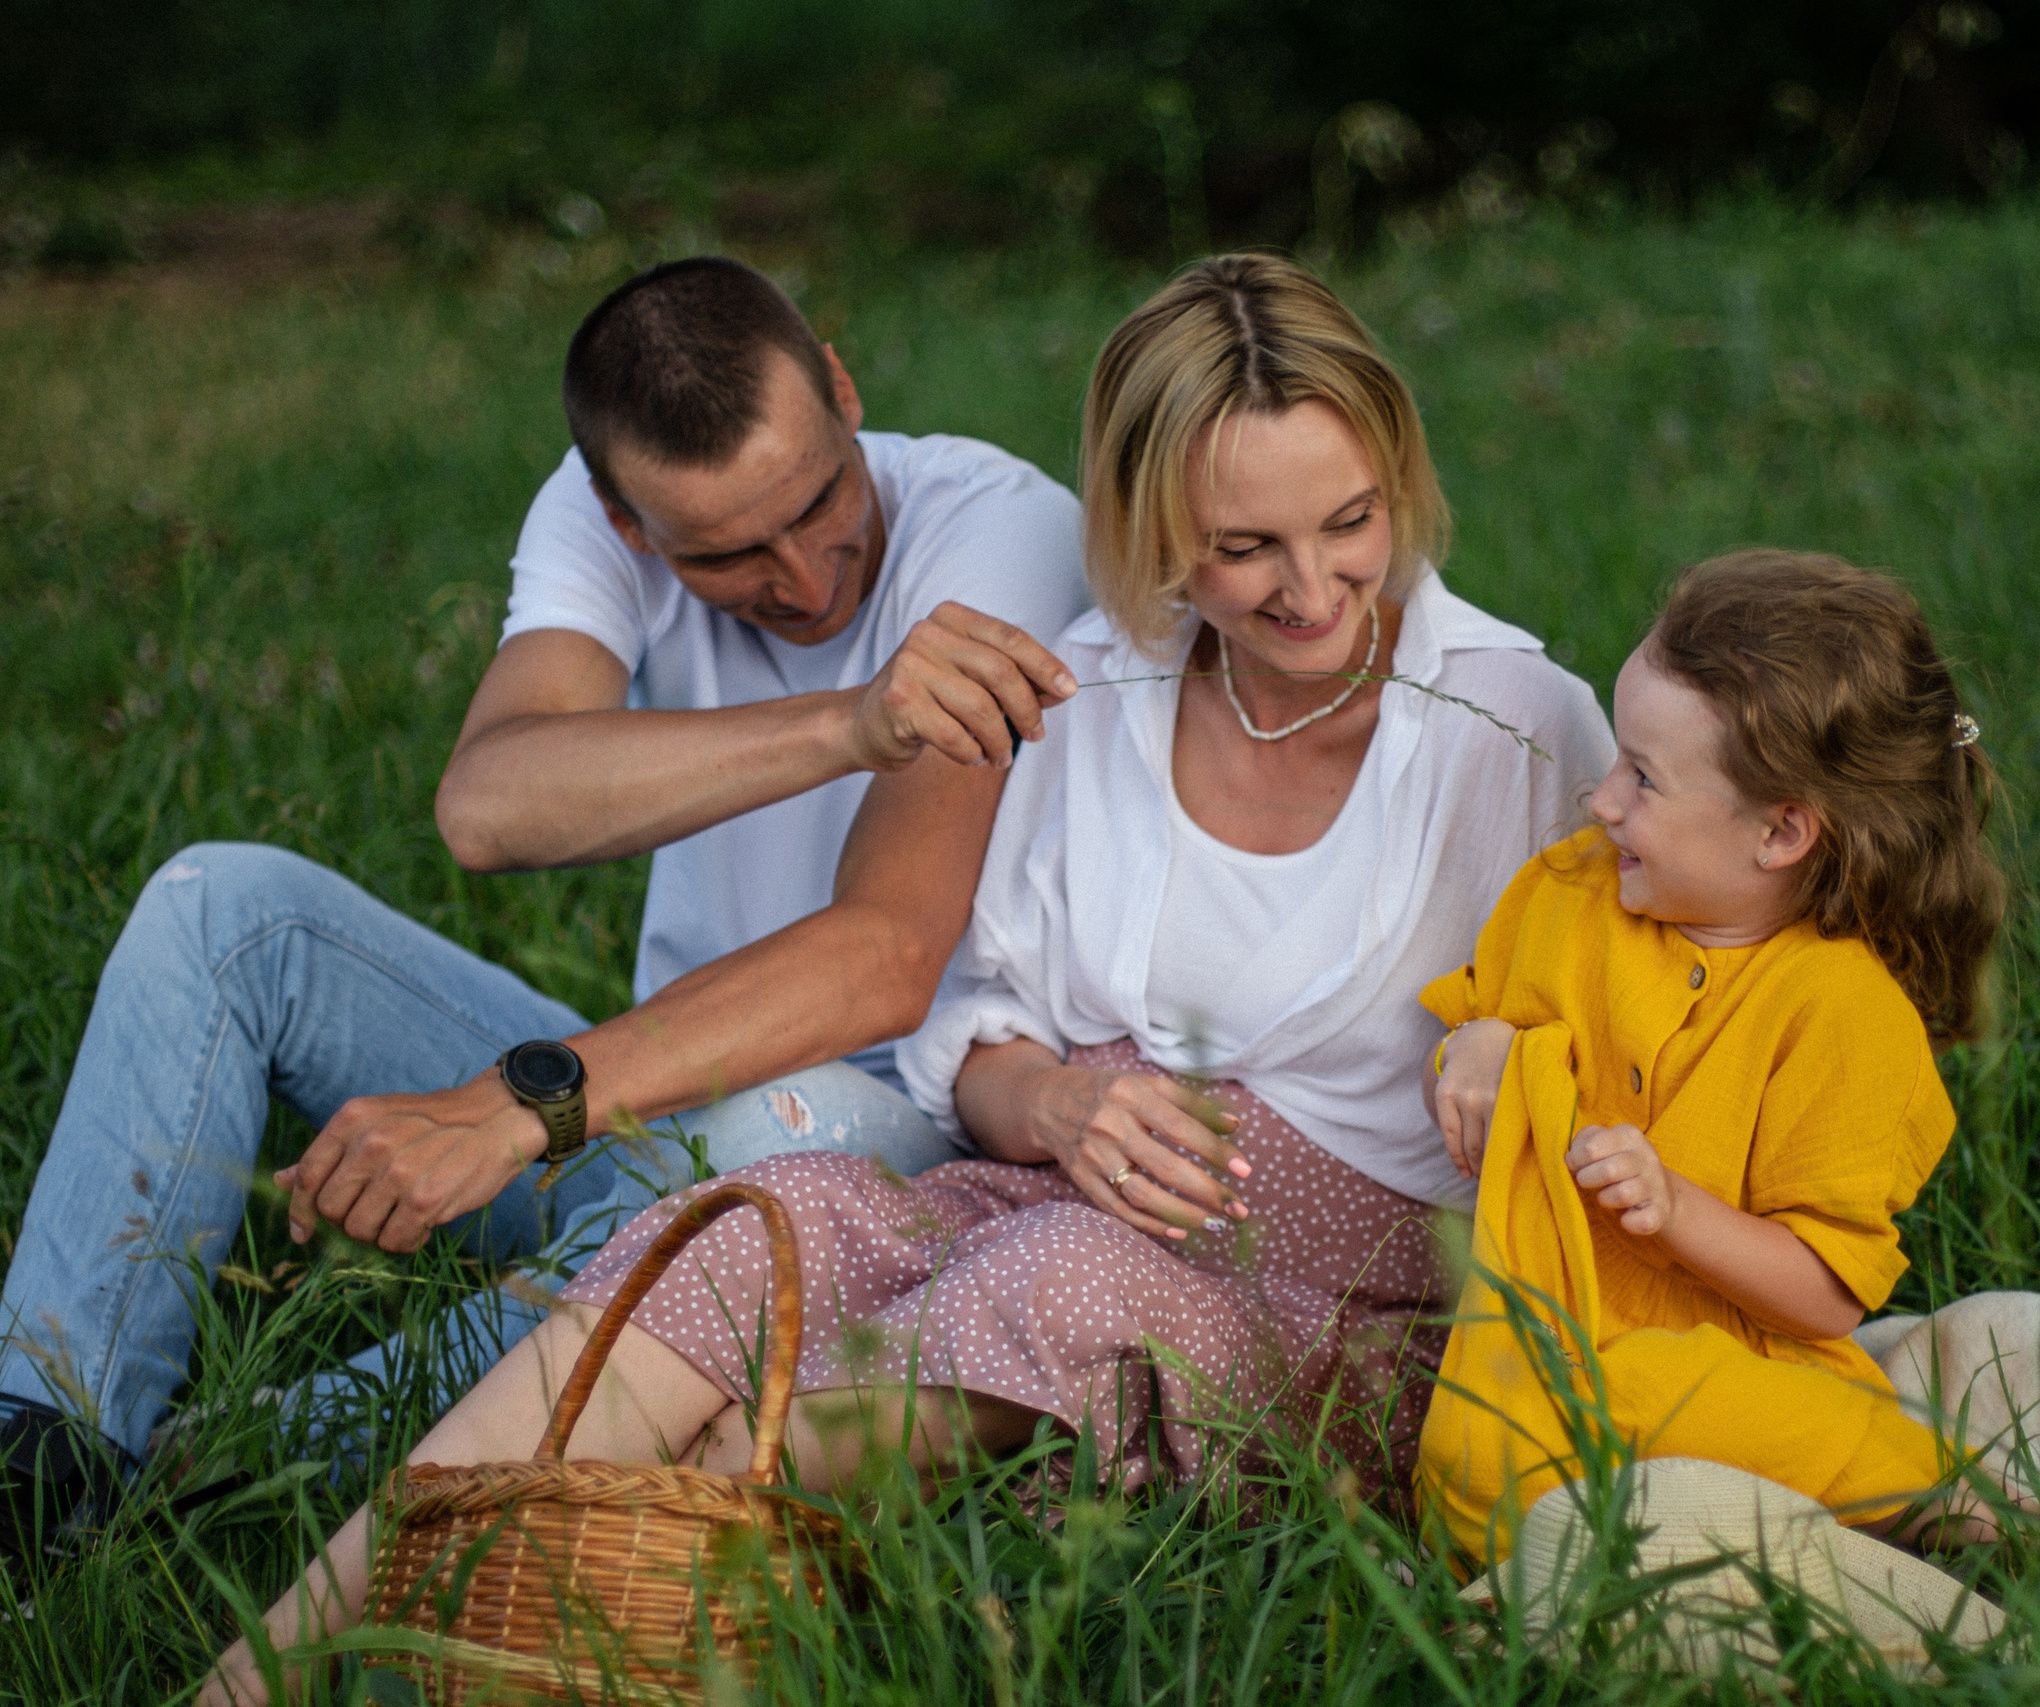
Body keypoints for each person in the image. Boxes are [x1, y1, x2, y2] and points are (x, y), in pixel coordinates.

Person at [198, 251, 1614, 1706]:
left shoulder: (1511, 722)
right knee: (755, 1225)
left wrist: (1518, 1050)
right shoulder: (1086, 685)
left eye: (1352, 521)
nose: (1313, 587)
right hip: (1053, 1200)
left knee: (1043, 1278)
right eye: (1247, 546)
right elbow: (968, 1020)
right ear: (1157, 536)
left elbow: (1651, 1028)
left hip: (1345, 1305)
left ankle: (536, 1622)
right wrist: (1057, 1100)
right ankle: (262, 1670)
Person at [1, 256, 1090, 1555]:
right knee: (226, 906)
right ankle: (46, 1446)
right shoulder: (600, 512)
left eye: (824, 501)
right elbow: (489, 804)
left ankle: (231, 1486)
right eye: (730, 553)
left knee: (776, 1129)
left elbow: (888, 958)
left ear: (845, 394)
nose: (805, 576)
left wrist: (524, 1102)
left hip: (892, 1127)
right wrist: (852, 721)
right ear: (628, 524)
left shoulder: (1001, 529)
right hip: (654, 1093)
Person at [1413, 549, 2005, 1570]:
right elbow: (1485, 1033)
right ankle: (1759, 1531)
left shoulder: (1841, 1012)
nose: (1601, 802)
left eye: (1643, 777)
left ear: (1781, 831)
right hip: (1549, 1338)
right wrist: (1479, 1045)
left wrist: (1675, 1210)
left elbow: (1826, 1293)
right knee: (1475, 1445)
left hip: (1742, 1366)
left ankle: (1928, 1500)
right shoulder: (1567, 897)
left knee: (1678, 1405)